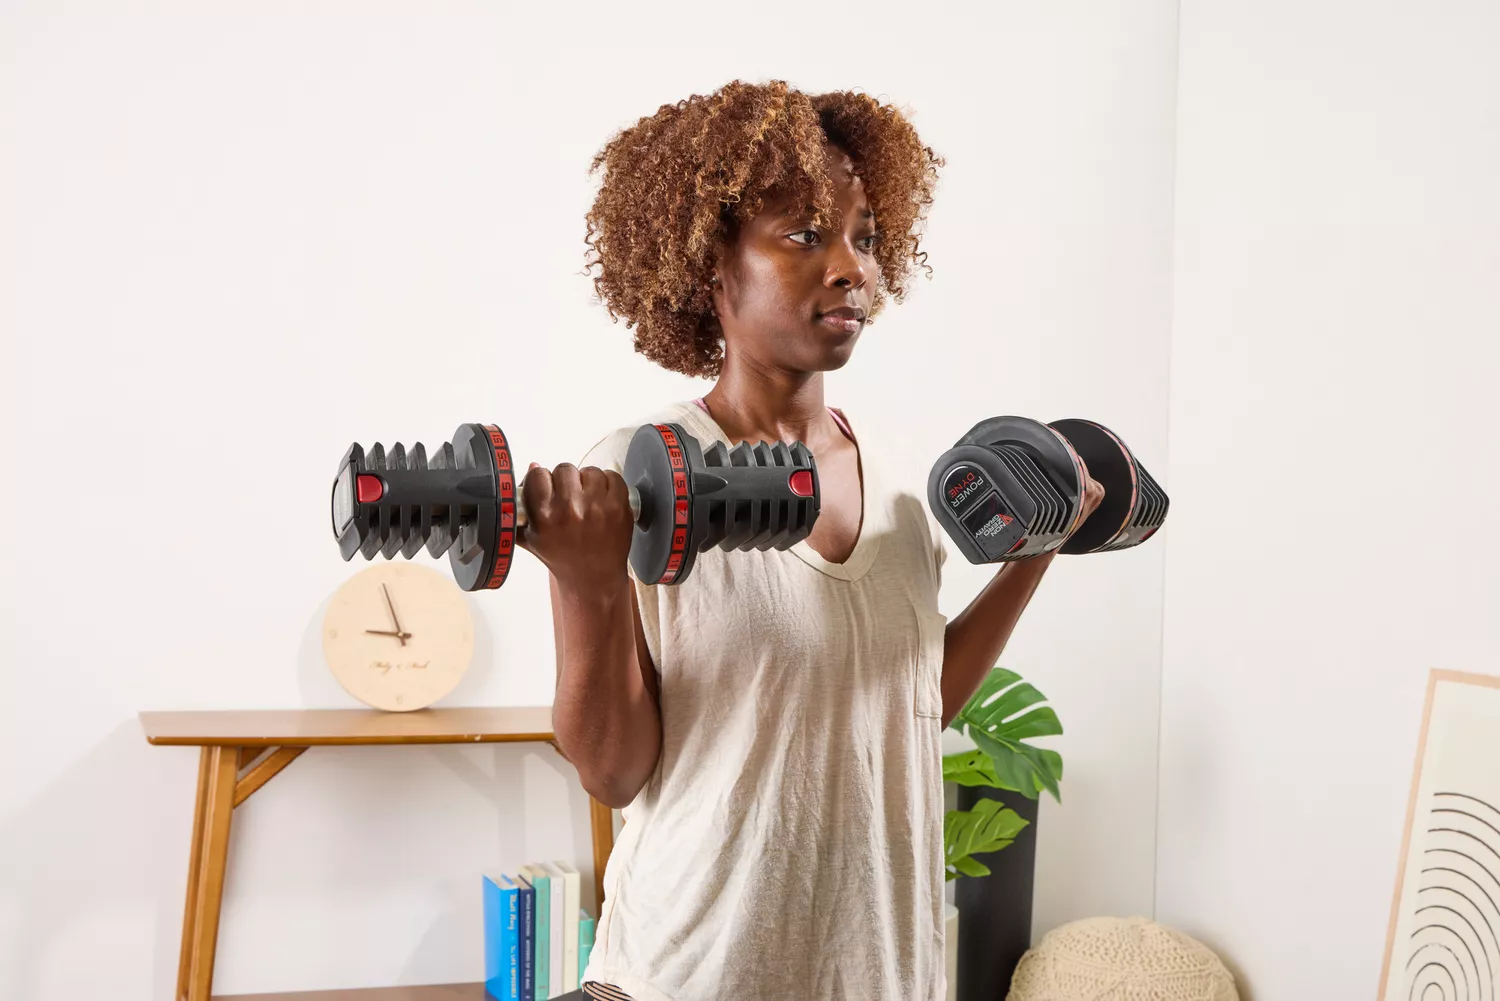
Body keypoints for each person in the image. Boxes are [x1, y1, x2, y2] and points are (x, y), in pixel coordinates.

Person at [515, 79, 1104, 1001]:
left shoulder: (905, 479)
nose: (851, 268)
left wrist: (1039, 553)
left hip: (880, 971)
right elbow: (612, 766)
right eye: (804, 236)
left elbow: (908, 705)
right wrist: (585, 585)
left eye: (864, 237)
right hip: (696, 970)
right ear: (712, 268)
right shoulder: (641, 470)